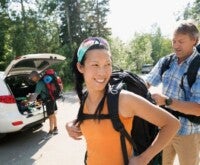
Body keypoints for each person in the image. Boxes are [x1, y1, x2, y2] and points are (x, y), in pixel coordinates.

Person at [66, 37, 180, 165]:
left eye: (107, 64)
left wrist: (143, 158)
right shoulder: (85, 97)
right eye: (95, 65)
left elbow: (172, 124)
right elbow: (96, 123)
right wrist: (71, 124)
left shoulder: (123, 99)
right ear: (80, 67)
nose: (102, 72)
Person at [145, 20, 200, 165]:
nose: (176, 45)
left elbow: (198, 108)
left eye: (181, 41)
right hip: (164, 129)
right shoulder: (166, 61)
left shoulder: (198, 67)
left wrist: (166, 101)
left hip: (188, 132)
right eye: (174, 41)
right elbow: (146, 84)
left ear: (194, 40)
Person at [28, 70, 58, 139]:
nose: (32, 79)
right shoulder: (44, 80)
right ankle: (55, 129)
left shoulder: (39, 83)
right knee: (53, 114)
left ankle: (50, 132)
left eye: (32, 78)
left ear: (35, 76)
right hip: (53, 97)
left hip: (49, 100)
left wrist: (27, 101)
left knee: (50, 115)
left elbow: (35, 95)